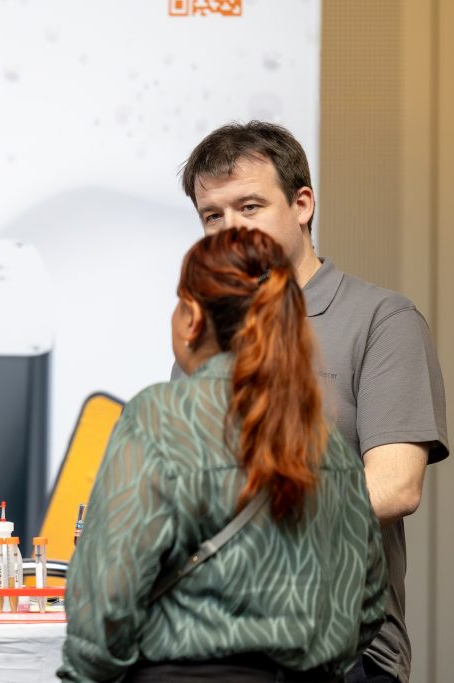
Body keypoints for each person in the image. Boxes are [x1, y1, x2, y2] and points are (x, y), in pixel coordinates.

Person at [180, 121, 448, 683]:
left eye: (249, 206)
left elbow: (395, 486)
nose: (230, 230)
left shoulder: (381, 320)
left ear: (302, 204)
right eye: (213, 216)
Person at [60, 227, 386, 682]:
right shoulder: (325, 440)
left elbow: (107, 598)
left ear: (191, 318)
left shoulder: (159, 418)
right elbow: (368, 602)